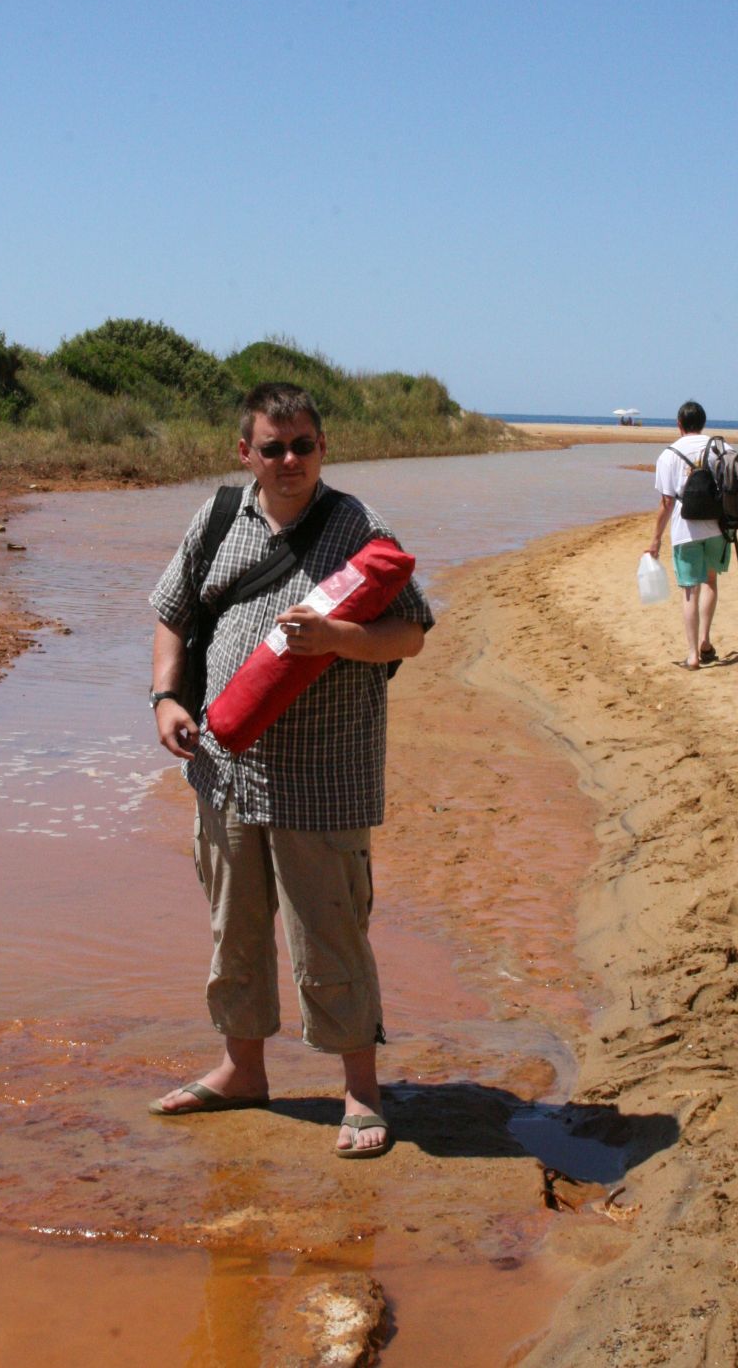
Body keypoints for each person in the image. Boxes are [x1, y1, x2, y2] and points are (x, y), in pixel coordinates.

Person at [148, 382, 433, 1158]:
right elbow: (173, 615)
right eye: (272, 447)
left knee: (330, 936)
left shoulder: (356, 525)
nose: (288, 460)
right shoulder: (214, 520)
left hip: (323, 777)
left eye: (302, 444)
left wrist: (340, 635)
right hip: (223, 770)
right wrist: (166, 700)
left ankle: (360, 1093)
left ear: (323, 448)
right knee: (233, 933)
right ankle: (243, 1071)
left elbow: (409, 633)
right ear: (246, 451)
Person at [646, 400, 730, 669]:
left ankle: (693, 655)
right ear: (703, 423)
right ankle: (705, 641)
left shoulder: (668, 454)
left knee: (689, 592)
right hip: (718, 527)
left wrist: (655, 538)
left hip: (686, 530)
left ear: (679, 424)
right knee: (710, 582)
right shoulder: (720, 448)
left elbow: (667, 503)